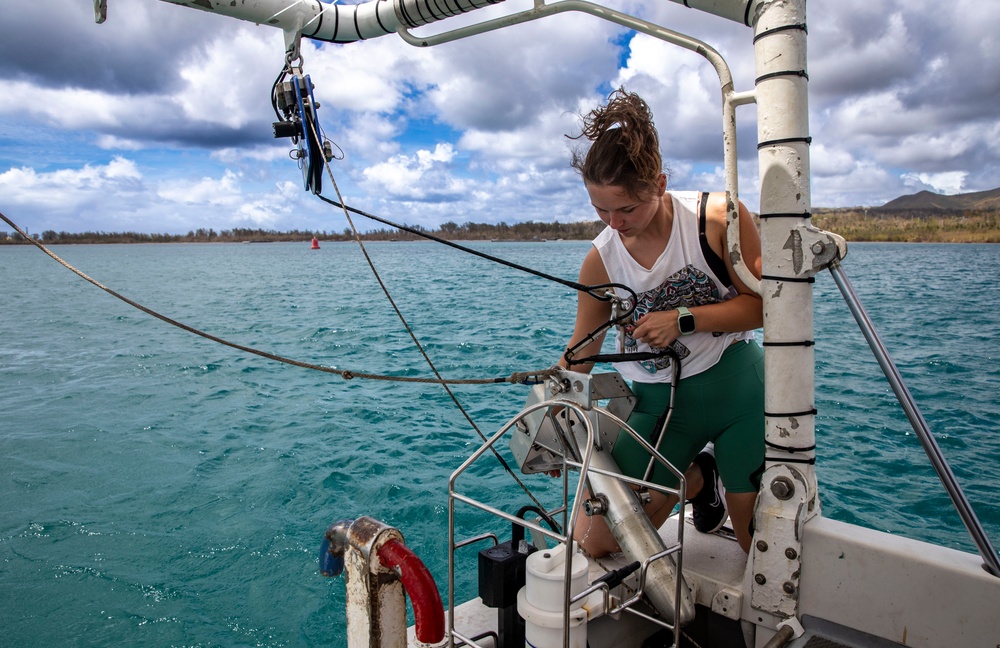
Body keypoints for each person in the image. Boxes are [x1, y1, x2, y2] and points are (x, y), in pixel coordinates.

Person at [560, 88, 764, 554]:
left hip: (737, 390)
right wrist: (553, 408)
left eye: (626, 208)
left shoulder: (718, 219)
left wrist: (682, 319)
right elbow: (583, 348)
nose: (614, 222)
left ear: (659, 182)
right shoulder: (600, 262)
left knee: (756, 543)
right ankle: (696, 479)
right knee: (597, 542)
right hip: (656, 404)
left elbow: (765, 308)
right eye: (600, 209)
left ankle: (716, 474)